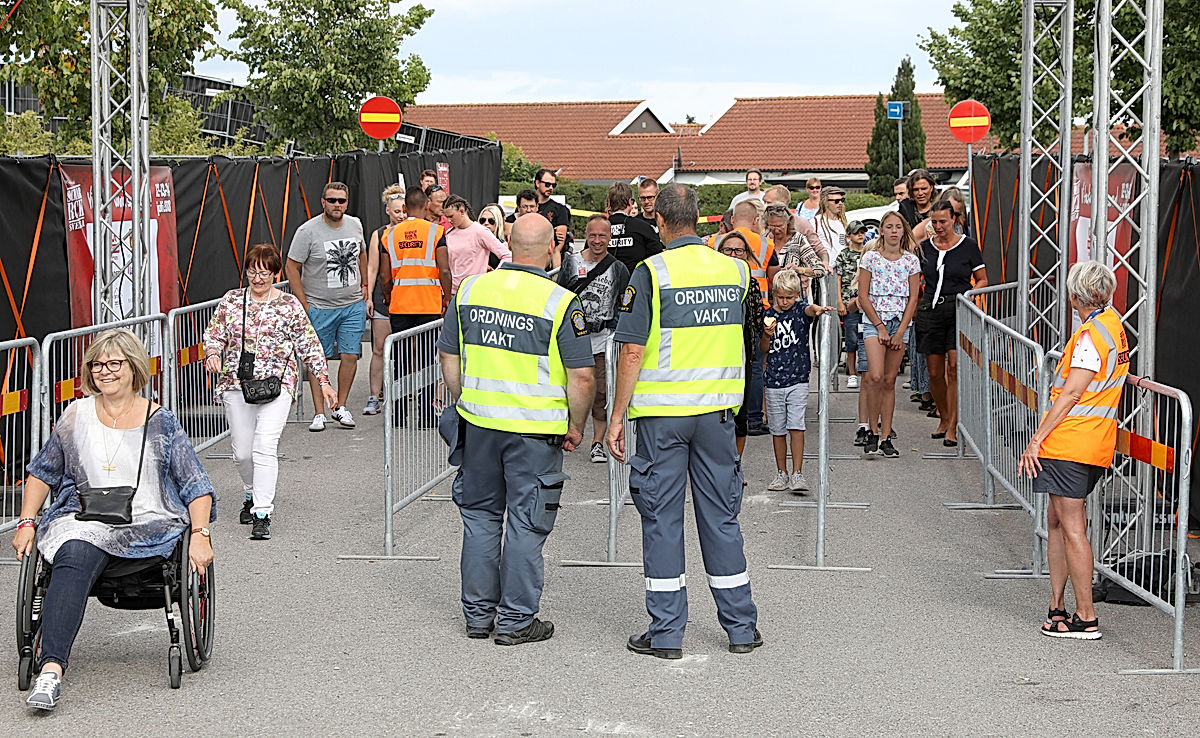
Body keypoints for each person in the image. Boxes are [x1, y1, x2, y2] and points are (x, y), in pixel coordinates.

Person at [10, 329, 216, 711]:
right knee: (73, 550)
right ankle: (51, 670)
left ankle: (53, 661)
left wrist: (201, 533)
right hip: (85, 518)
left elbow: (196, 485)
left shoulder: (161, 422)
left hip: (147, 523)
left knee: (78, 550)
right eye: (98, 364)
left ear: (134, 366)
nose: (105, 371)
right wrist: (26, 521)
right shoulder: (75, 415)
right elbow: (42, 472)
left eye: (114, 363)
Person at [607, 183, 762, 659]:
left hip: (662, 418)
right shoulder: (735, 271)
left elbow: (632, 350)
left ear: (660, 222)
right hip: (716, 413)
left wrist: (616, 417)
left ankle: (667, 633)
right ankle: (740, 627)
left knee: (661, 519)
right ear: (701, 218)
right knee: (720, 517)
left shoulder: (650, 273)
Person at [438, 213, 595, 646]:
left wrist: (466, 400)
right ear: (551, 249)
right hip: (535, 433)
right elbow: (582, 377)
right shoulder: (560, 302)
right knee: (527, 523)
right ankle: (515, 620)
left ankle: (477, 616)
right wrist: (576, 426)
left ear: (507, 241)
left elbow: (449, 357)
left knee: (481, 519)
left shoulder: (471, 290)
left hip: (480, 426)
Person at [1019, 261, 1128, 641]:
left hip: (1072, 441)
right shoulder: (1112, 324)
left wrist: (1036, 439)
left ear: (1073, 297)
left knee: (1071, 527)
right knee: (1057, 524)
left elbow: (1070, 394)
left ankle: (1085, 616)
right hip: (1090, 439)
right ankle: (1058, 606)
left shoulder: (1089, 336)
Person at [203, 244, 337, 539]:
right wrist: (212, 352)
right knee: (241, 453)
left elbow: (308, 343)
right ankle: (251, 492)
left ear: (276, 273)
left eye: (264, 272)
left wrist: (323, 379)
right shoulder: (232, 300)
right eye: (252, 271)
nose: (257, 278)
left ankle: (262, 512)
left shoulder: (289, 305)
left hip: (278, 385)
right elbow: (214, 333)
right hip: (237, 384)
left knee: (264, 446)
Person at [284, 181, 366, 432]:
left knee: (350, 355)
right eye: (332, 200)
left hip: (352, 303)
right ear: (323, 202)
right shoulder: (307, 231)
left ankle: (340, 406)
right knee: (316, 360)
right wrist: (304, 302)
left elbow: (362, 253)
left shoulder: (355, 224)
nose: (337, 205)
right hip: (319, 305)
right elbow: (291, 266)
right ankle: (319, 412)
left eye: (341, 200)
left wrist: (365, 286)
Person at [557, 214, 631, 464]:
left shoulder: (618, 268)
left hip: (602, 341)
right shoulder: (571, 263)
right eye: (592, 235)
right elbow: (560, 296)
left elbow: (625, 303)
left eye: (602, 235)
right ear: (585, 236)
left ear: (610, 237)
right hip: (573, 339)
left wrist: (614, 325)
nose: (597, 241)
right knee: (568, 389)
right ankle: (565, 433)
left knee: (600, 393)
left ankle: (597, 442)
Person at [918, 200, 988, 447]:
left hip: (958, 307)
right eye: (934, 222)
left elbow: (982, 279)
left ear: (954, 221)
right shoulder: (924, 248)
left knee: (954, 367)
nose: (938, 227)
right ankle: (944, 416)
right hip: (930, 309)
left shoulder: (968, 246)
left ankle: (953, 426)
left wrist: (968, 297)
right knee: (935, 372)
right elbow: (916, 280)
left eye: (943, 222)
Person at [381, 186, 453, 427]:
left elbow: (384, 276)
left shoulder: (389, 235)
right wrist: (446, 297)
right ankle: (425, 416)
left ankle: (398, 415)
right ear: (425, 207)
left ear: (404, 209)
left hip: (400, 304)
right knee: (426, 359)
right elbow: (443, 269)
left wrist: (389, 297)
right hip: (428, 303)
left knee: (400, 361)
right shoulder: (436, 232)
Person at [761, 270, 835, 492]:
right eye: (781, 297)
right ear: (774, 294)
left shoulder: (800, 311)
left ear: (797, 295)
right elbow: (764, 350)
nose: (785, 302)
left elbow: (809, 310)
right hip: (774, 379)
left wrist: (817, 309)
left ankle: (797, 473)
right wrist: (766, 334)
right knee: (777, 428)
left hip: (798, 378)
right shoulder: (768, 315)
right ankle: (781, 472)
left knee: (796, 424)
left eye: (790, 297)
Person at [857, 212, 921, 456]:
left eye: (898, 227)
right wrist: (880, 326)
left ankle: (886, 435)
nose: (894, 231)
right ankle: (872, 429)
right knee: (874, 376)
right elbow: (863, 295)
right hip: (875, 321)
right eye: (889, 227)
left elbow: (914, 297)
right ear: (881, 230)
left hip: (900, 322)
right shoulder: (870, 258)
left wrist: (901, 329)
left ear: (903, 231)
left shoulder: (910, 261)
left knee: (889, 380)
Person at [715, 232, 764, 460]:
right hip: (712, 356)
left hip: (741, 354)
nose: (733, 255)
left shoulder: (750, 284)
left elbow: (757, 322)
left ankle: (735, 464)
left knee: (740, 414)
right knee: (715, 415)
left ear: (747, 256)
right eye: (728, 250)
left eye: (739, 251)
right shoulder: (709, 282)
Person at [363, 184, 407, 415]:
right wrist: (368, 296)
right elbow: (372, 267)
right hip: (383, 299)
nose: (401, 216)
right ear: (388, 211)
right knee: (379, 348)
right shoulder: (379, 234)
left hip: (408, 298)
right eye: (397, 211)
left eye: (404, 211)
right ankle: (373, 396)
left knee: (406, 350)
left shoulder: (412, 233)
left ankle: (402, 393)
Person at [443, 194, 512, 296]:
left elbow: (507, 255)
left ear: (462, 211)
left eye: (451, 216)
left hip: (474, 292)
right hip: (452, 292)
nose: (448, 220)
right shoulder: (449, 233)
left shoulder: (480, 231)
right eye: (446, 217)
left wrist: (493, 277)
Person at [761, 190, 827, 295]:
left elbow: (820, 270)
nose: (776, 230)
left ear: (788, 222)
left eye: (780, 226)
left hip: (795, 298)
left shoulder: (798, 240)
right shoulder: (763, 241)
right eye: (772, 226)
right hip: (769, 298)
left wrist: (800, 270)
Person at [833, 221, 869, 390]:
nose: (860, 235)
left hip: (867, 302)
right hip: (850, 302)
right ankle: (852, 373)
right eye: (856, 233)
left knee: (868, 337)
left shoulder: (869, 253)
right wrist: (840, 301)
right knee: (851, 338)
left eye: (862, 232)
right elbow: (838, 280)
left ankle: (867, 371)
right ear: (848, 236)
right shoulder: (844, 255)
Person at [606, 182, 663, 272]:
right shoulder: (643, 228)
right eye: (643, 198)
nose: (647, 201)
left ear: (609, 203)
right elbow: (658, 261)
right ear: (630, 202)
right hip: (636, 283)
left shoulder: (597, 229)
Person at [534, 168, 570, 260]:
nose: (550, 188)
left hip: (549, 259)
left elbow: (559, 243)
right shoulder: (526, 206)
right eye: (547, 184)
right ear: (537, 183)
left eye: (553, 185)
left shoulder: (560, 209)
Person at [899, 169, 938, 242]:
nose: (920, 193)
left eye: (924, 189)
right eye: (916, 190)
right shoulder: (906, 208)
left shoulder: (939, 208)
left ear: (931, 188)